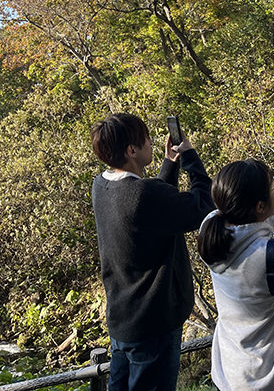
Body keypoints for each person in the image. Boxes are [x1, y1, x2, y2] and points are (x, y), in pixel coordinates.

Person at [90, 112, 214, 391]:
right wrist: (191, 158)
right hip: (153, 323)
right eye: (145, 139)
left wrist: (169, 164)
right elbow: (202, 206)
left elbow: (153, 209)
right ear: (131, 150)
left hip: (123, 319)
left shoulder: (101, 185)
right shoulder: (144, 194)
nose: (151, 142)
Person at [197, 147, 274, 391]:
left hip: (230, 372)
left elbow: (258, 222)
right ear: (258, 206)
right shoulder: (268, 256)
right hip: (269, 379)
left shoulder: (211, 229)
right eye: (273, 188)